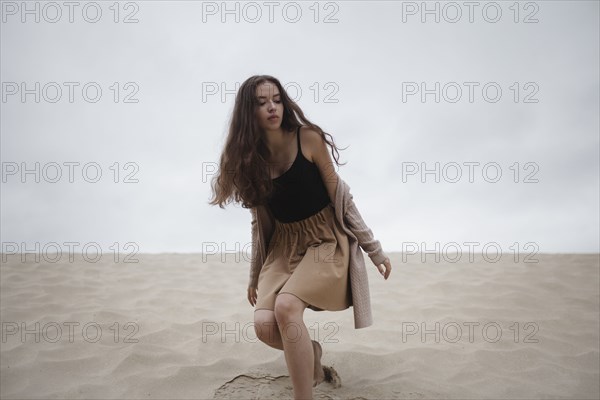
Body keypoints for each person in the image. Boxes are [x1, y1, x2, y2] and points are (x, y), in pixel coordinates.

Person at [208, 74, 392, 400]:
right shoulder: (249, 162)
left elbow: (342, 198)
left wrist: (373, 249)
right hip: (283, 246)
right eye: (262, 102)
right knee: (265, 325)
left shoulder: (308, 139)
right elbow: (260, 225)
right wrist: (254, 276)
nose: (272, 108)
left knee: (287, 306)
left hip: (325, 241)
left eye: (276, 99)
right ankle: (313, 356)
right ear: (247, 113)